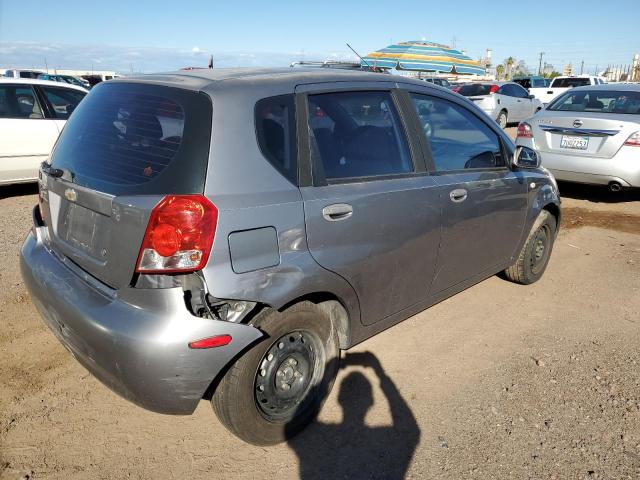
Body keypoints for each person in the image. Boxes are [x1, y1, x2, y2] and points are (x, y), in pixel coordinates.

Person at [288, 351, 420, 479]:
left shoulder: (312, 448)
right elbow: (412, 430)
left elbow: (292, 417)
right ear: (371, 403)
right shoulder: (384, 435)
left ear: (339, 401)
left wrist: (328, 368)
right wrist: (379, 372)